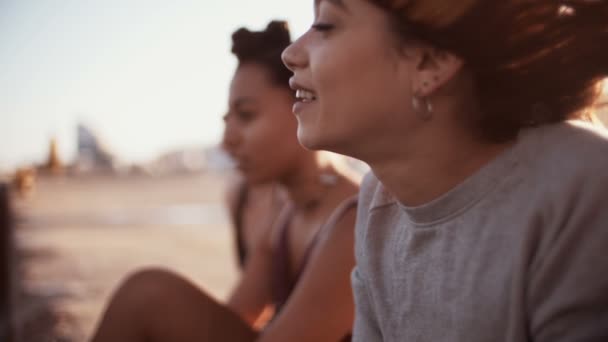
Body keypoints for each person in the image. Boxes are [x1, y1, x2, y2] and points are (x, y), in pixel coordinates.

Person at [281, 0, 608, 341]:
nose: (291, 53)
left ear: (429, 62)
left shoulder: (583, 187)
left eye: (326, 26)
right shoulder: (382, 202)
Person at [92, 20, 360, 342]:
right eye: (226, 120)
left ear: (300, 103)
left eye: (245, 115)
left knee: (147, 295)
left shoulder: (355, 219)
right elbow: (233, 318)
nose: (226, 142)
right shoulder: (285, 215)